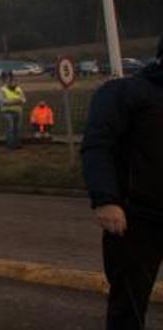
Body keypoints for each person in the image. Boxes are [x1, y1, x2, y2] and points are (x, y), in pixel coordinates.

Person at [81, 36, 163, 330]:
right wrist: (106, 200)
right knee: (128, 306)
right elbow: (97, 146)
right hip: (134, 220)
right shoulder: (127, 92)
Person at [0, 75, 26, 149]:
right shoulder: (3, 90)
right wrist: (15, 101)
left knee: (17, 128)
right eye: (13, 82)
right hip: (7, 111)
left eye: (16, 81)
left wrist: (19, 101)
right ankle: (11, 144)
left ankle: (17, 143)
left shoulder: (18, 89)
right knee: (10, 128)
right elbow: (3, 101)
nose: (15, 83)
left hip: (18, 111)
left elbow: (23, 99)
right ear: (9, 82)